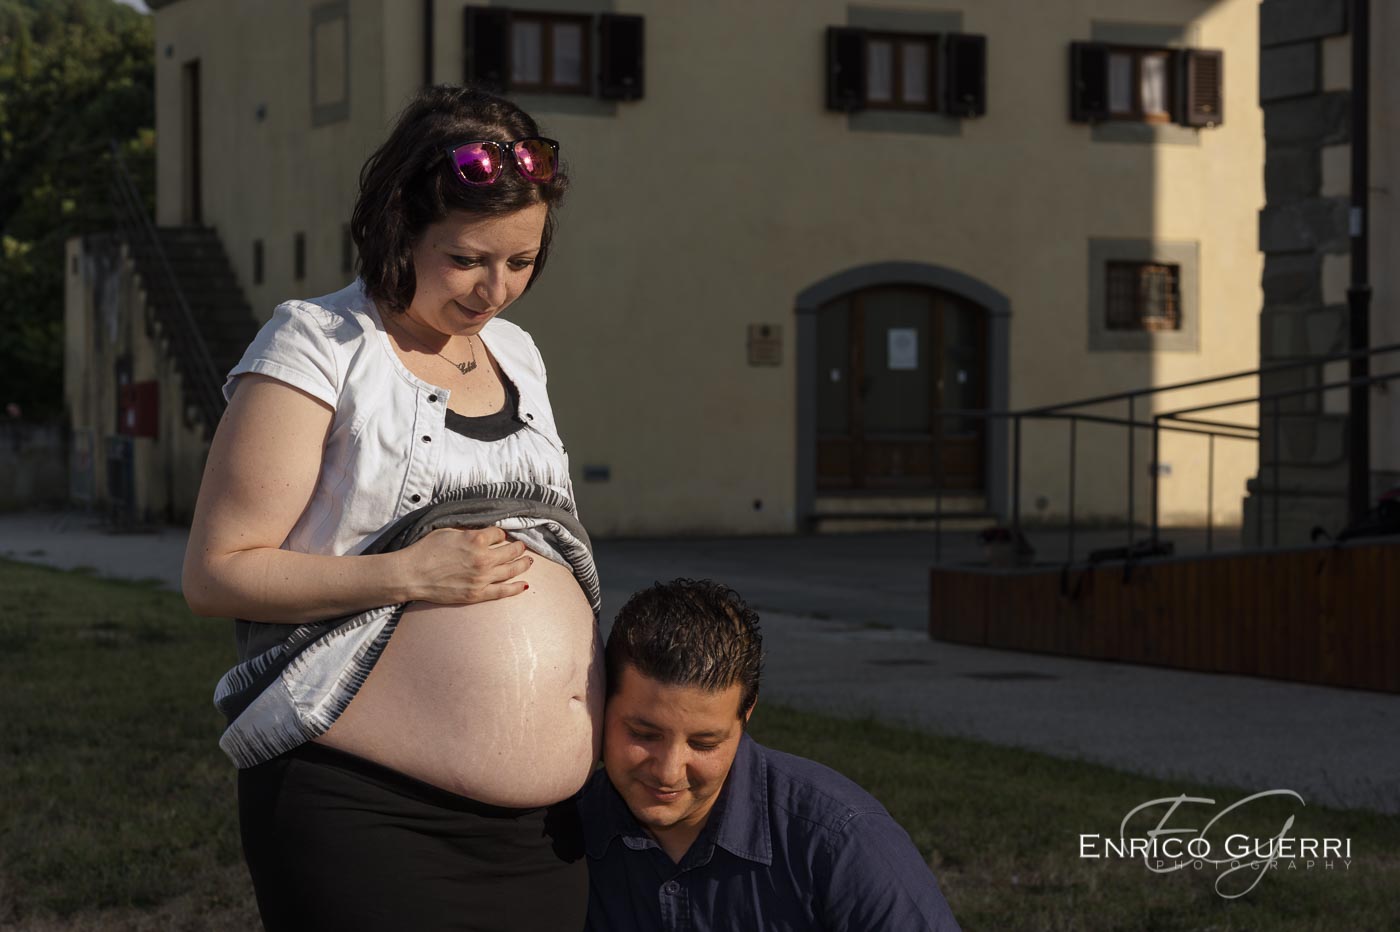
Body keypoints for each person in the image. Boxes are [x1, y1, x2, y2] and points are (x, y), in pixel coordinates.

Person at [181, 85, 600, 931]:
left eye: (520, 261)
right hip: (363, 809)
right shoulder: (318, 348)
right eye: (468, 258)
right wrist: (406, 574)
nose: (495, 290)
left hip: (539, 836)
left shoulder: (518, 353)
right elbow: (217, 573)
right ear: (398, 227)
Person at [580, 579, 962, 931]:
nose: (668, 770)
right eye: (644, 734)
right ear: (602, 702)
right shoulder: (564, 828)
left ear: (746, 715)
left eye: (705, 743)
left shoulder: (842, 841)